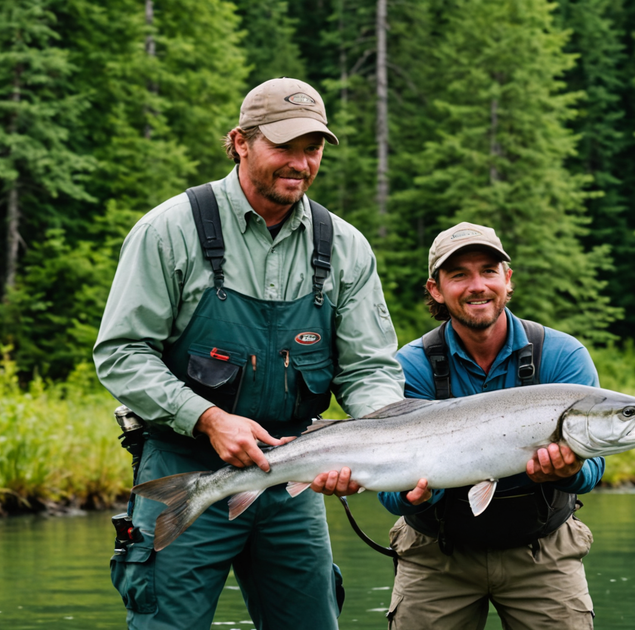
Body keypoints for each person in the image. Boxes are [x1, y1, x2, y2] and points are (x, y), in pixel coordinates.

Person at [94, 77, 404, 630]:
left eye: (312, 149)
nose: (301, 163)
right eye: (284, 146)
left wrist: (372, 440)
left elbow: (369, 368)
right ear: (240, 142)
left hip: (294, 473)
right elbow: (122, 353)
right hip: (183, 464)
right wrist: (208, 419)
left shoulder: (346, 247)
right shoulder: (169, 230)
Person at [378, 222, 604, 629]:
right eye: (459, 274)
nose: (477, 285)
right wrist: (416, 496)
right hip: (435, 552)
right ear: (435, 289)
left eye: (488, 271)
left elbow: (594, 470)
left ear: (507, 280)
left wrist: (571, 471)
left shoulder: (562, 356)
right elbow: (391, 499)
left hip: (542, 549)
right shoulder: (410, 366)